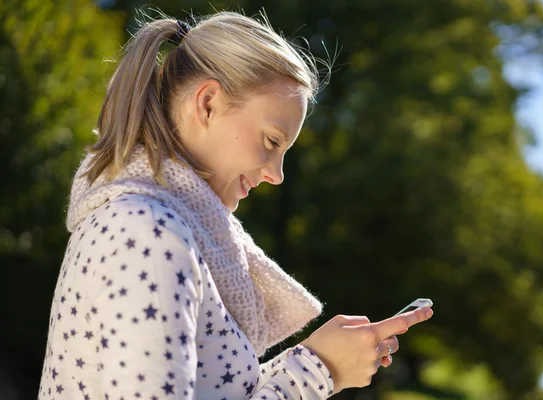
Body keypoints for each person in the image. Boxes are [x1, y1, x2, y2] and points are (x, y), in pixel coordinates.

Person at [38, 10, 433, 400]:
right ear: (207, 104)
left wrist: (323, 363)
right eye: (272, 141)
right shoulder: (146, 232)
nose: (277, 175)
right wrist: (315, 372)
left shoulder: (156, 227)